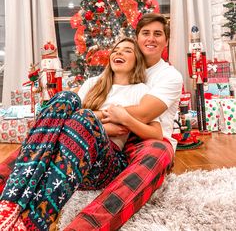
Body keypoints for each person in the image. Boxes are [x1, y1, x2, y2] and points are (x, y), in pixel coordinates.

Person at [0, 37, 163, 231]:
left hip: (105, 163)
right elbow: (69, 117)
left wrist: (125, 119)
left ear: (136, 60)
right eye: (116, 50)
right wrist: (104, 119)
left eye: (127, 50)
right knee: (65, 97)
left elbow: (157, 133)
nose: (118, 53)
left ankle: (34, 221)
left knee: (84, 117)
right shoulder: (93, 84)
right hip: (70, 156)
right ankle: (11, 199)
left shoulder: (141, 90)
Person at [64, 12, 183, 231]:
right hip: (107, 139)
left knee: (158, 152)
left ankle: (86, 226)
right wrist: (91, 117)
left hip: (145, 138)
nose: (151, 39)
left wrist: (95, 117)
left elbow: (145, 113)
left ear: (166, 41)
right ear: (137, 38)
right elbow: (89, 98)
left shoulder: (169, 76)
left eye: (158, 34)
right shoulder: (120, 69)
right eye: (145, 33)